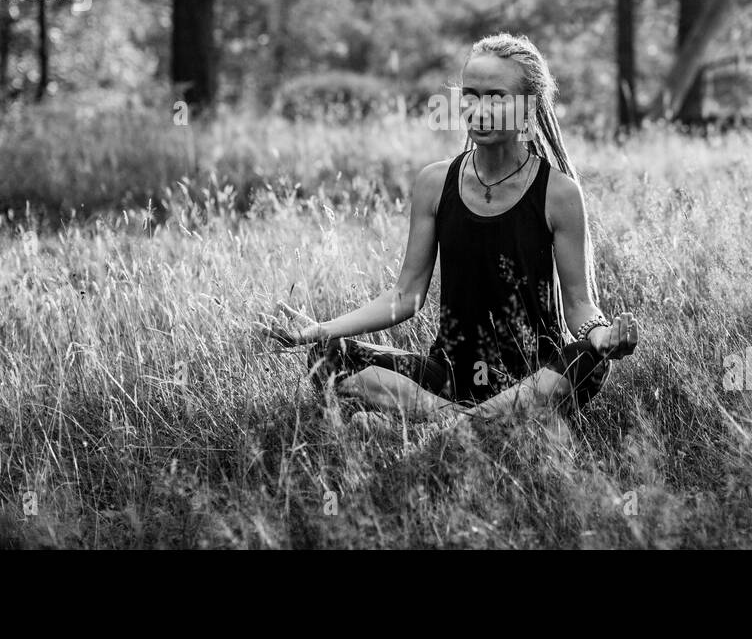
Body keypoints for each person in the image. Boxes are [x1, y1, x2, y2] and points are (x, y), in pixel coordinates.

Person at [265, 32, 639, 432]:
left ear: (529, 107)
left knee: (589, 361)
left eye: (496, 97)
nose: (479, 109)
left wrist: (602, 336)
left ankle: (434, 424)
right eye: (471, 95)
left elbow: (579, 306)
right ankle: (479, 427)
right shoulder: (434, 182)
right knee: (329, 354)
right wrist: (319, 329)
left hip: (533, 378)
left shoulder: (558, 194)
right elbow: (404, 297)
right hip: (449, 376)